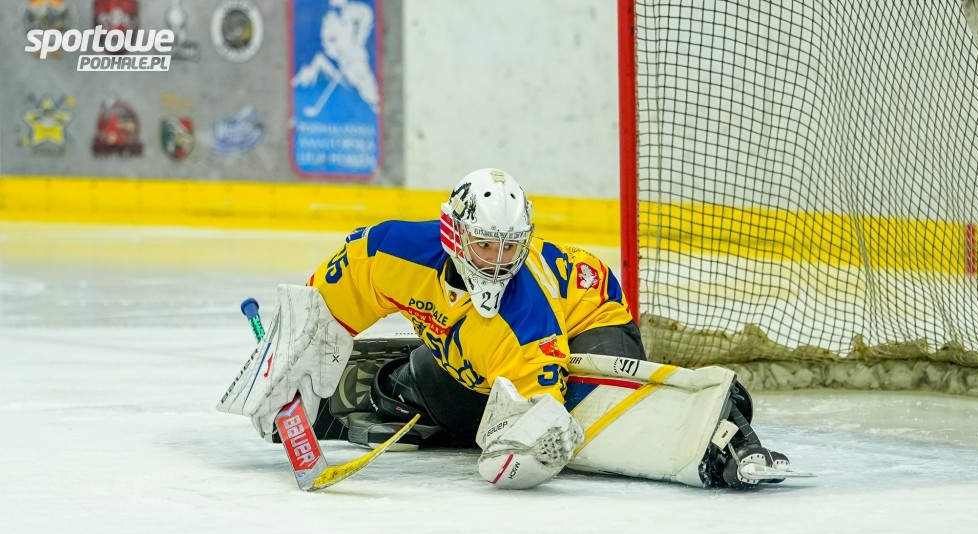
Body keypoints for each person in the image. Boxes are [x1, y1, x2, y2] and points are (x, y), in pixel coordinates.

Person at [218, 168, 792, 490]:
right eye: (485, 245)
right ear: (454, 234)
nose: (497, 262)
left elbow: (539, 422)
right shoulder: (387, 251)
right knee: (434, 382)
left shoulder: (525, 319)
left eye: (509, 247)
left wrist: (525, 446)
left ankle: (720, 428)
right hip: (475, 347)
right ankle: (384, 388)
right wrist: (286, 364)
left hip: (588, 319)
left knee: (584, 426)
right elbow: (322, 306)